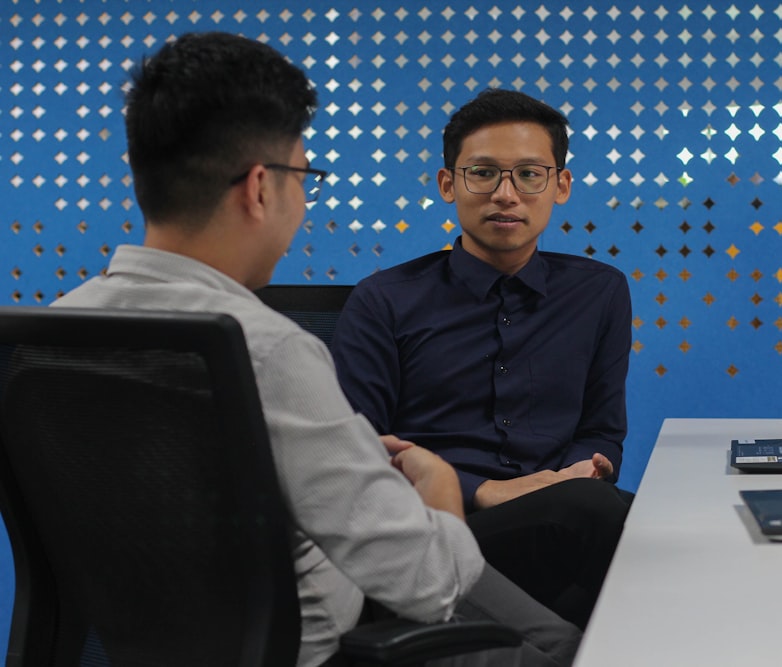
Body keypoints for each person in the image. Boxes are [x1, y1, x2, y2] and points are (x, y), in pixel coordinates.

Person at [52, 33, 579, 667]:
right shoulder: (265, 350)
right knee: (569, 649)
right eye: (304, 176)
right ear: (259, 189)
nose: (303, 199)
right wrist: (440, 491)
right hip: (314, 650)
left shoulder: (55, 333)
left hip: (140, 648)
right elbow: (430, 584)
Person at [332, 88, 633, 630]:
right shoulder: (384, 300)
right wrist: (484, 490)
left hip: (563, 516)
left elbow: (603, 429)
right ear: (450, 183)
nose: (506, 194)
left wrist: (589, 466)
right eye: (483, 173)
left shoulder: (599, 292)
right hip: (437, 533)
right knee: (593, 517)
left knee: (640, 527)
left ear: (560, 185)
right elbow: (356, 458)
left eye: (529, 174)